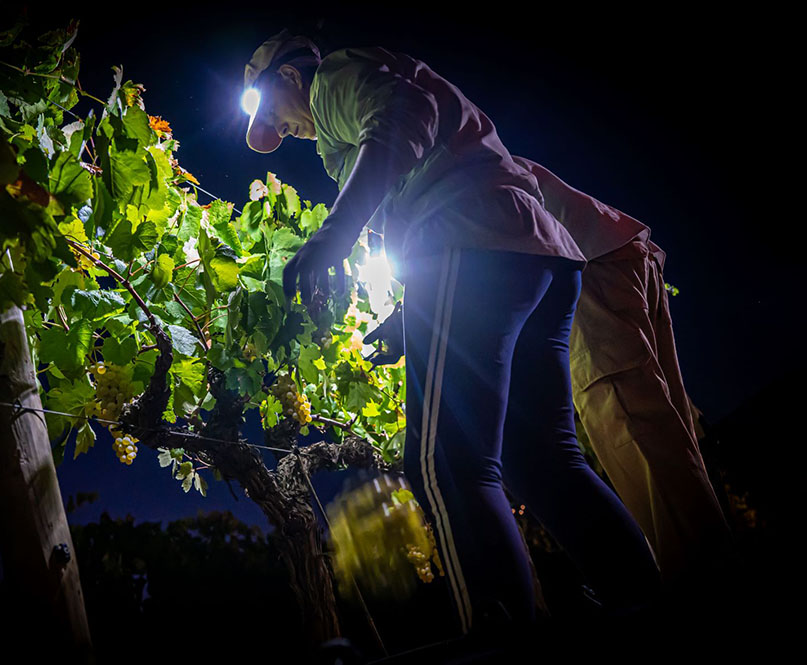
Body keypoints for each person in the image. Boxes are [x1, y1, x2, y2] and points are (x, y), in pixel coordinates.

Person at [242, 28, 661, 642]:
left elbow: (404, 118)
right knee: (541, 459)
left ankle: (499, 636)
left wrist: (332, 236)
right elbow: (408, 169)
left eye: (272, 115)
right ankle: (646, 603)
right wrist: (407, 322)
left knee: (444, 464)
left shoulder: (332, 78)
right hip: (535, 256)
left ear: (286, 77)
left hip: (470, 241)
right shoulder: (347, 118)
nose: (282, 133)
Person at [508, 156, 737, 595]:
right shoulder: (464, 143)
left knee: (633, 430)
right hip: (619, 253)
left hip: (591, 271)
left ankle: (705, 594)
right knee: (669, 440)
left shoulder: (433, 178)